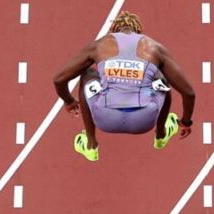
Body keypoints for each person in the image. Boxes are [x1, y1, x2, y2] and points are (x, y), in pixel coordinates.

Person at [53, 10, 196, 161]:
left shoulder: (99, 45)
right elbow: (189, 93)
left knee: (87, 73)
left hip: (105, 119)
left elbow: (59, 80)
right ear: (139, 31)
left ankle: (90, 144)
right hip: (143, 121)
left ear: (113, 30)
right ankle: (161, 134)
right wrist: (185, 122)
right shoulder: (154, 48)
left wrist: (68, 101)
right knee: (163, 80)